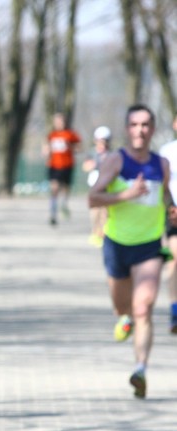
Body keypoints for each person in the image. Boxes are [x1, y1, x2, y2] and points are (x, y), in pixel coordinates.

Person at [88, 103, 176, 399]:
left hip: (149, 246)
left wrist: (171, 210)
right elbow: (93, 198)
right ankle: (123, 318)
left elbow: (164, 197)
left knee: (145, 306)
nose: (141, 130)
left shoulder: (161, 165)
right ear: (128, 129)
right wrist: (126, 194)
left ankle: (141, 369)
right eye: (135, 125)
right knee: (122, 306)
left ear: (152, 129)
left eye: (146, 125)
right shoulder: (116, 161)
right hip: (117, 244)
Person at [157, 114, 177, 333]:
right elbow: (160, 185)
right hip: (174, 213)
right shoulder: (166, 152)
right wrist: (169, 205)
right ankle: (175, 309)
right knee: (174, 260)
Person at [44, 112, 81, 225]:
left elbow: (79, 148)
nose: (59, 123)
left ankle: (64, 205)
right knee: (54, 188)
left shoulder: (71, 134)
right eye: (57, 121)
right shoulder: (51, 135)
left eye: (61, 121)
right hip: (54, 165)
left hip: (67, 165)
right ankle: (53, 213)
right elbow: (45, 149)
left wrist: (70, 146)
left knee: (65, 188)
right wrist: (47, 151)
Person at [82, 126, 112, 247]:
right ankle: (94, 232)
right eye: (100, 141)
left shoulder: (112, 154)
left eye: (105, 141)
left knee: (105, 211)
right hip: (94, 185)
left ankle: (103, 233)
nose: (102, 144)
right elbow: (85, 166)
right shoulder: (92, 153)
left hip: (107, 185)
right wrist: (94, 165)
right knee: (95, 211)